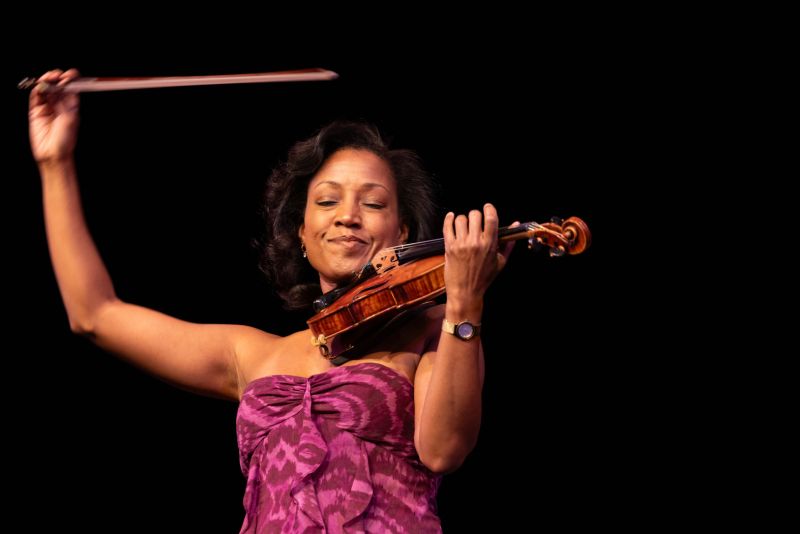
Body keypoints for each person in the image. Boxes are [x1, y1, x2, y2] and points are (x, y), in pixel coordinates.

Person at [30, 68, 515, 533]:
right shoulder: (252, 355)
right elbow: (94, 313)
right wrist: (55, 163)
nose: (348, 216)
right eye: (327, 201)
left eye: (372, 203)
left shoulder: (431, 331)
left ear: (401, 232)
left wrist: (464, 305)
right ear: (303, 233)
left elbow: (443, 451)